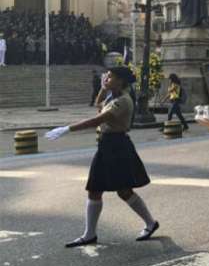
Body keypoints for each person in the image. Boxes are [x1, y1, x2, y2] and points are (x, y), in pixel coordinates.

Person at [45, 67, 158, 247]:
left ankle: (151, 223)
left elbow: (97, 120)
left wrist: (67, 129)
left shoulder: (122, 101)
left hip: (117, 147)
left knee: (124, 191)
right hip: (106, 146)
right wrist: (103, 88)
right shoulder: (111, 97)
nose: (107, 78)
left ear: (121, 81)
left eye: (110, 76)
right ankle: (89, 234)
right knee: (95, 189)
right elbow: (98, 105)